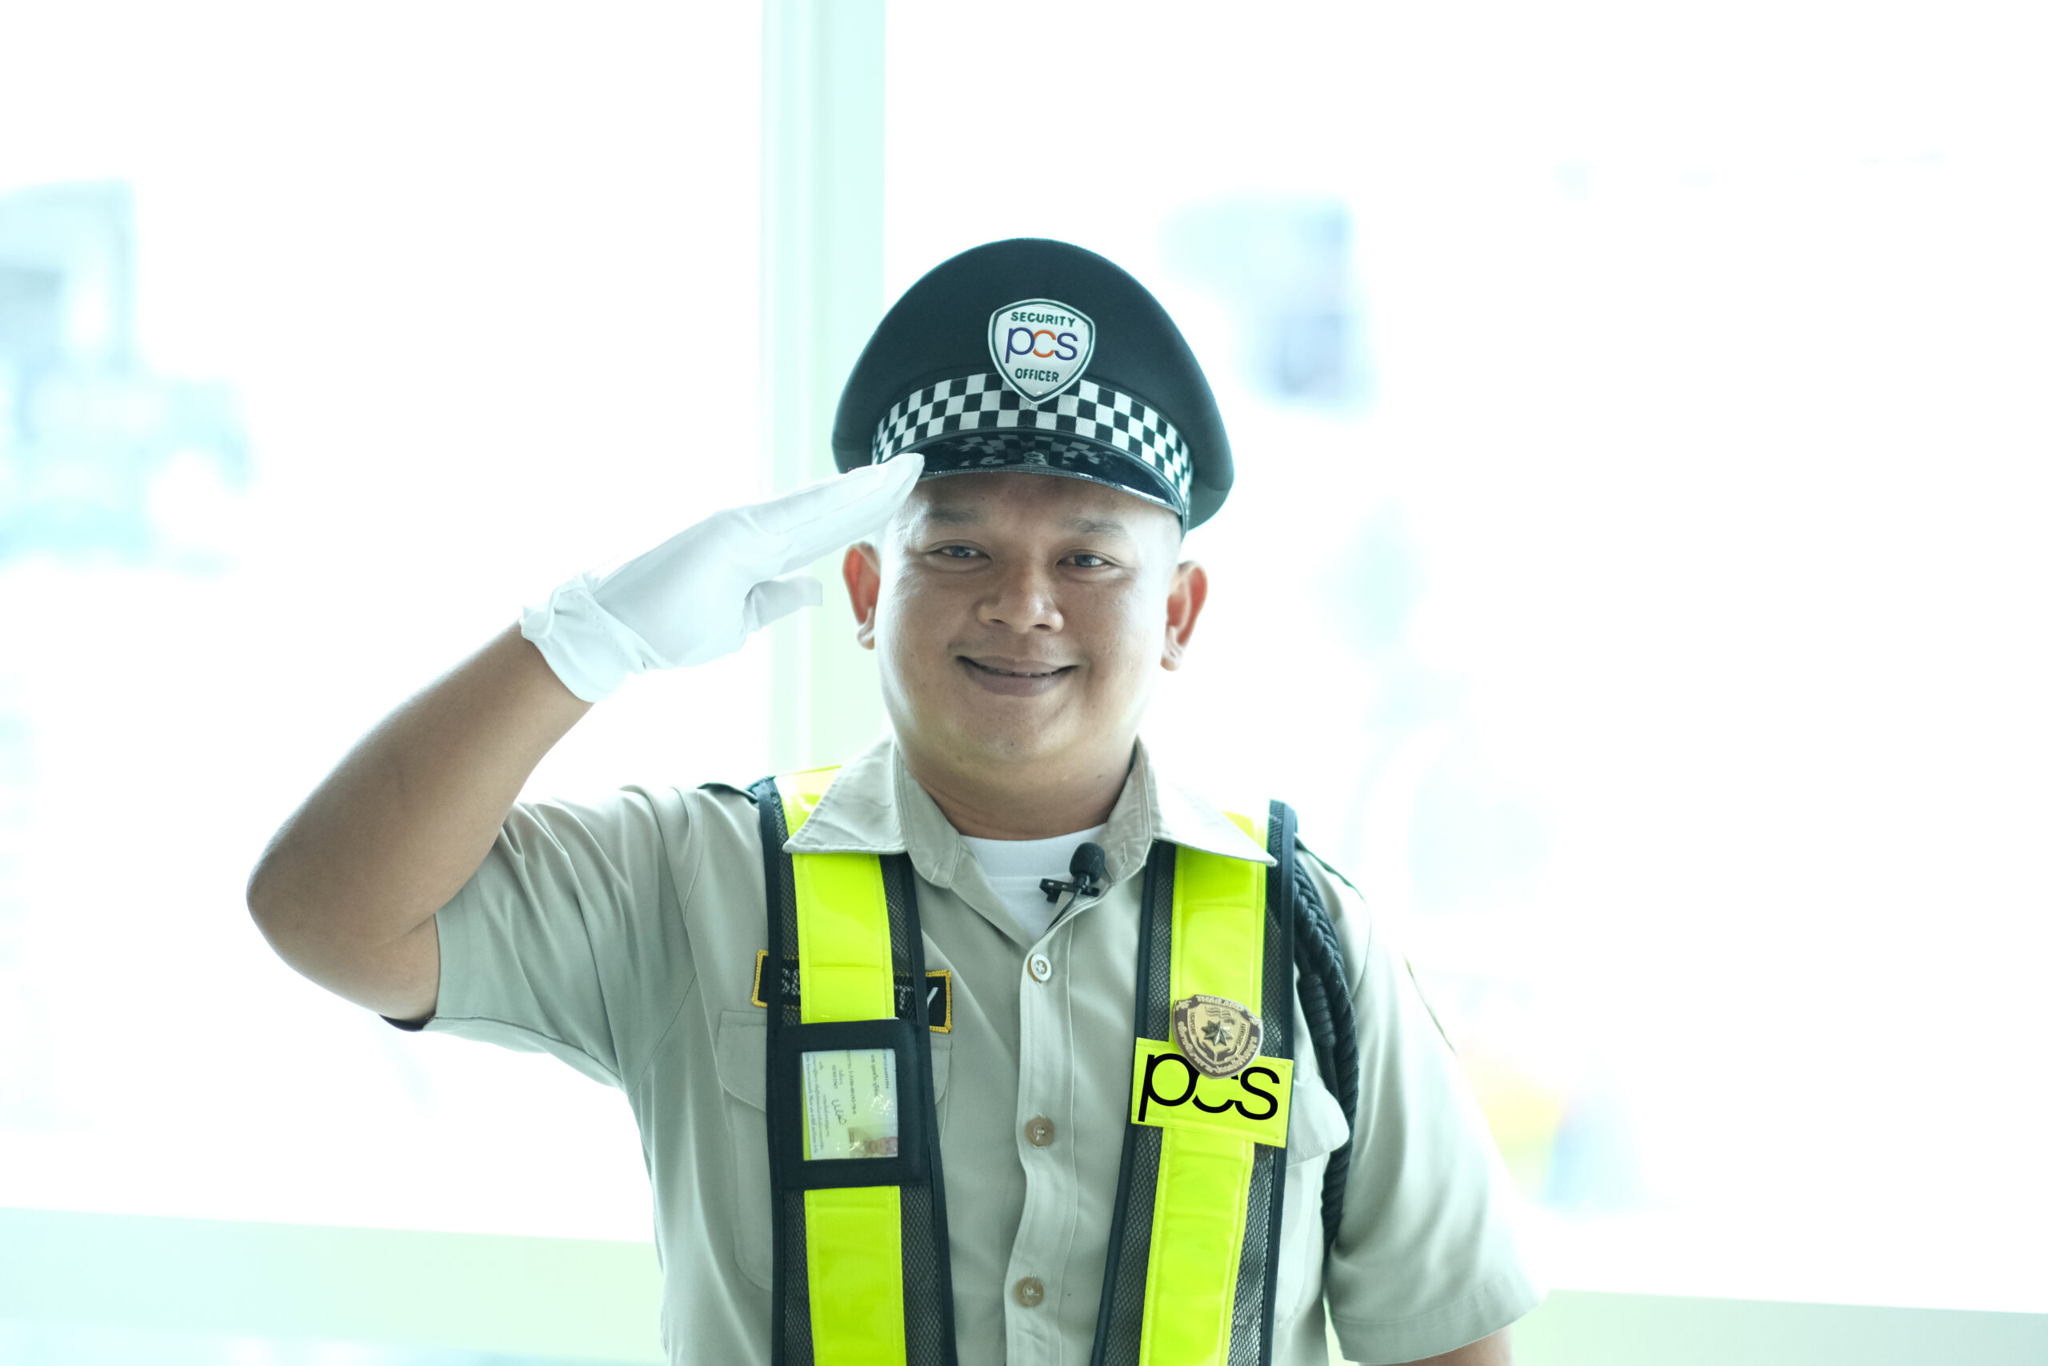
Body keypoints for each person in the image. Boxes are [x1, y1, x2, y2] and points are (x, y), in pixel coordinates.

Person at [247, 238, 1542, 1366]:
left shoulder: (1308, 936)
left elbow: (1446, 1341)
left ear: (1180, 613)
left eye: (1088, 558)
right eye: (958, 547)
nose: (1023, 604)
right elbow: (324, 911)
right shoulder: (701, 878)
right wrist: (583, 642)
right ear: (868, 591)